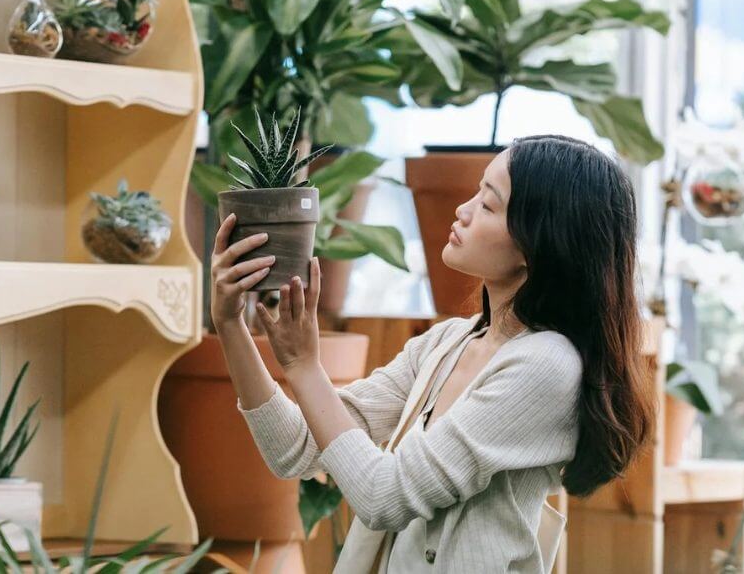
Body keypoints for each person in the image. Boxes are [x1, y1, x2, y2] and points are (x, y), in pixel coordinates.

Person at [209, 135, 654, 573]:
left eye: (488, 204)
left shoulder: (545, 365)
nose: (462, 210)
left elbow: (383, 498)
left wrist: (304, 367)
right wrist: (231, 326)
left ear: (537, 244)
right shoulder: (447, 343)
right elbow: (295, 449)